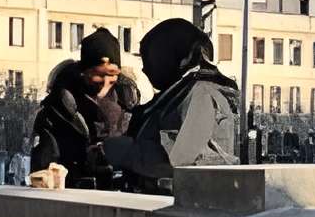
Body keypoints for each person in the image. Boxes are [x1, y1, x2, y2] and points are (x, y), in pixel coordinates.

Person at [104, 17, 243, 187]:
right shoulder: (183, 92)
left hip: (183, 206)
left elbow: (184, 163)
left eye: (149, 59)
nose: (145, 69)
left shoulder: (203, 94)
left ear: (169, 55)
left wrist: (124, 151)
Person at [34, 28, 138, 187]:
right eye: (97, 73)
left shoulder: (130, 107)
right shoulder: (56, 110)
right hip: (72, 198)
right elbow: (42, 169)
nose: (104, 81)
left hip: (119, 198)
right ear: (83, 72)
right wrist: (83, 159)